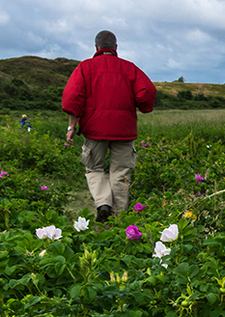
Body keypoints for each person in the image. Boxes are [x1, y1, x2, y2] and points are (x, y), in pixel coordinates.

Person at [61, 30, 156, 221]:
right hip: (124, 129)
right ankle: (120, 218)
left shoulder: (85, 67)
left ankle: (103, 203)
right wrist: (143, 106)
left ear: (96, 47)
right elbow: (147, 91)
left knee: (94, 168)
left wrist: (71, 127)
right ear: (116, 47)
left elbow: (72, 98)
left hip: (94, 129)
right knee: (120, 171)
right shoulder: (130, 68)